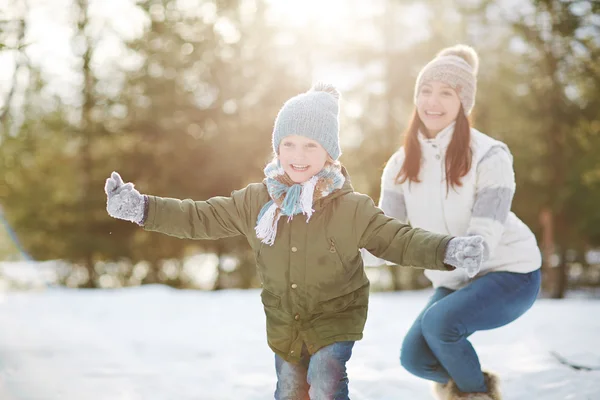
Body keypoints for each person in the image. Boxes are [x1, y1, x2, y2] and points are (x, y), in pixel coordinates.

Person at [104, 82, 485, 400]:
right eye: (289, 144)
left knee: (324, 379)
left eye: (310, 146)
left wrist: (446, 249)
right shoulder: (257, 201)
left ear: (329, 155)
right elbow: (199, 216)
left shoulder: (351, 208)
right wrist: (142, 208)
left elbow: (398, 239)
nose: (298, 156)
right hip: (286, 323)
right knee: (288, 389)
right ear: (277, 148)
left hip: (335, 320)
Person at [365, 45, 542, 400]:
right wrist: (343, 258)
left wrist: (465, 250)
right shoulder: (400, 165)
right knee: (414, 358)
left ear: (464, 103)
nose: (434, 101)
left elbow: (487, 227)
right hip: (456, 280)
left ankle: (476, 394)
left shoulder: (490, 154)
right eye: (426, 90)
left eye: (447, 92)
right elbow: (387, 236)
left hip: (511, 272)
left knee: (440, 324)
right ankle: (472, 382)